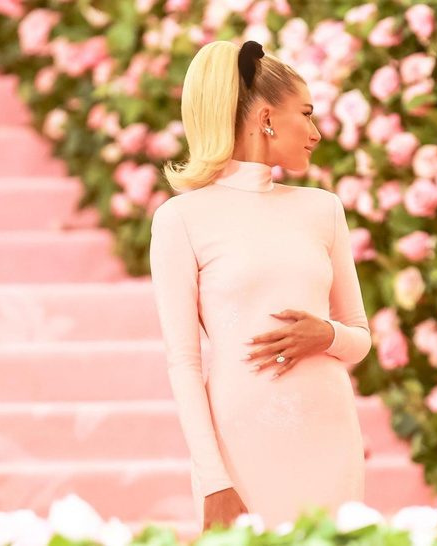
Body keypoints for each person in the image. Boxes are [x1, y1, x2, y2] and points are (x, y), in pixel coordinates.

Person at [148, 39, 372, 534]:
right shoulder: (181, 219)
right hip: (240, 447)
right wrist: (213, 481)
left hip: (329, 435)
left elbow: (359, 338)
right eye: (306, 114)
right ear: (267, 117)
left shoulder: (323, 209)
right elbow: (183, 363)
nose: (315, 132)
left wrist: (327, 335)